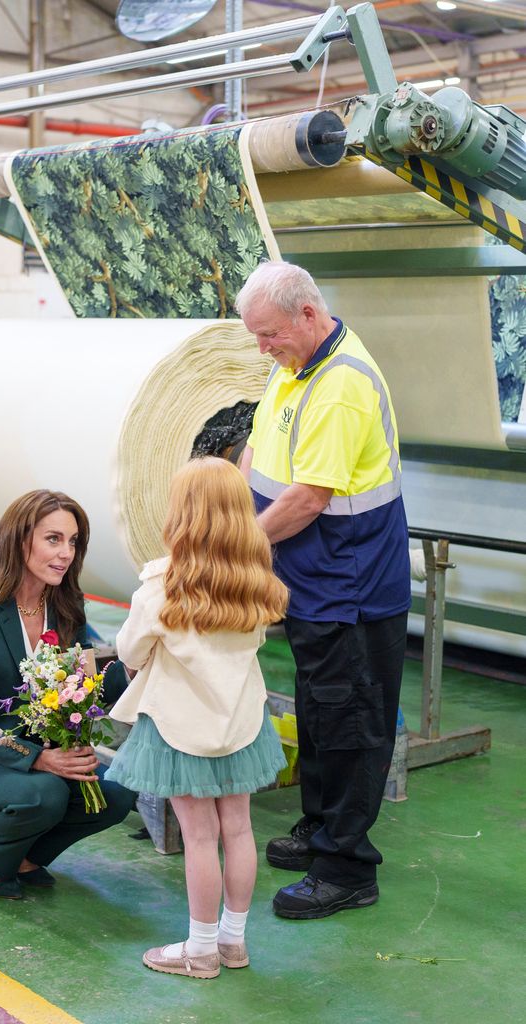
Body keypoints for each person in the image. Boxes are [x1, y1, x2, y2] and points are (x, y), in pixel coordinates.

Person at [236, 261, 411, 921]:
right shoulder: (294, 366)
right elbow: (258, 451)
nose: (263, 348)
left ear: (308, 314)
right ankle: (320, 827)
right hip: (311, 581)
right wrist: (231, 507)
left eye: (269, 334)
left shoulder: (340, 385)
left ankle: (346, 866)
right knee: (318, 709)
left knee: (351, 721)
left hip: (351, 587)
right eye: (256, 336)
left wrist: (236, 546)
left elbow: (309, 497)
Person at [104, 458, 288, 979]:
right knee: (240, 829)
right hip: (242, 723)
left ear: (181, 514)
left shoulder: (161, 587)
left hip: (179, 726)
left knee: (200, 837)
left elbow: (130, 651)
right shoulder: (257, 583)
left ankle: (200, 950)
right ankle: (233, 942)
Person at [0, 489, 135, 899]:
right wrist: (38, 758)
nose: (66, 553)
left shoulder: (67, 604)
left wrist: (131, 669)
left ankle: (25, 857)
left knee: (115, 795)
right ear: (20, 541)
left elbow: (80, 689)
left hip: (41, 751)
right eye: (53, 539)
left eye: (73, 541)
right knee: (47, 793)